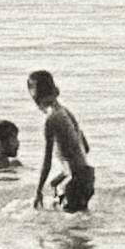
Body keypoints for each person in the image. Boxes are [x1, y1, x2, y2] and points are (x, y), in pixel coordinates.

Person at [30, 70, 94, 210]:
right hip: (87, 175)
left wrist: (39, 190)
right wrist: (58, 179)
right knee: (80, 221)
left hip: (75, 180)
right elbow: (85, 148)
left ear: (35, 98)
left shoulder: (50, 120)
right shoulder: (66, 112)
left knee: (69, 228)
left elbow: (47, 162)